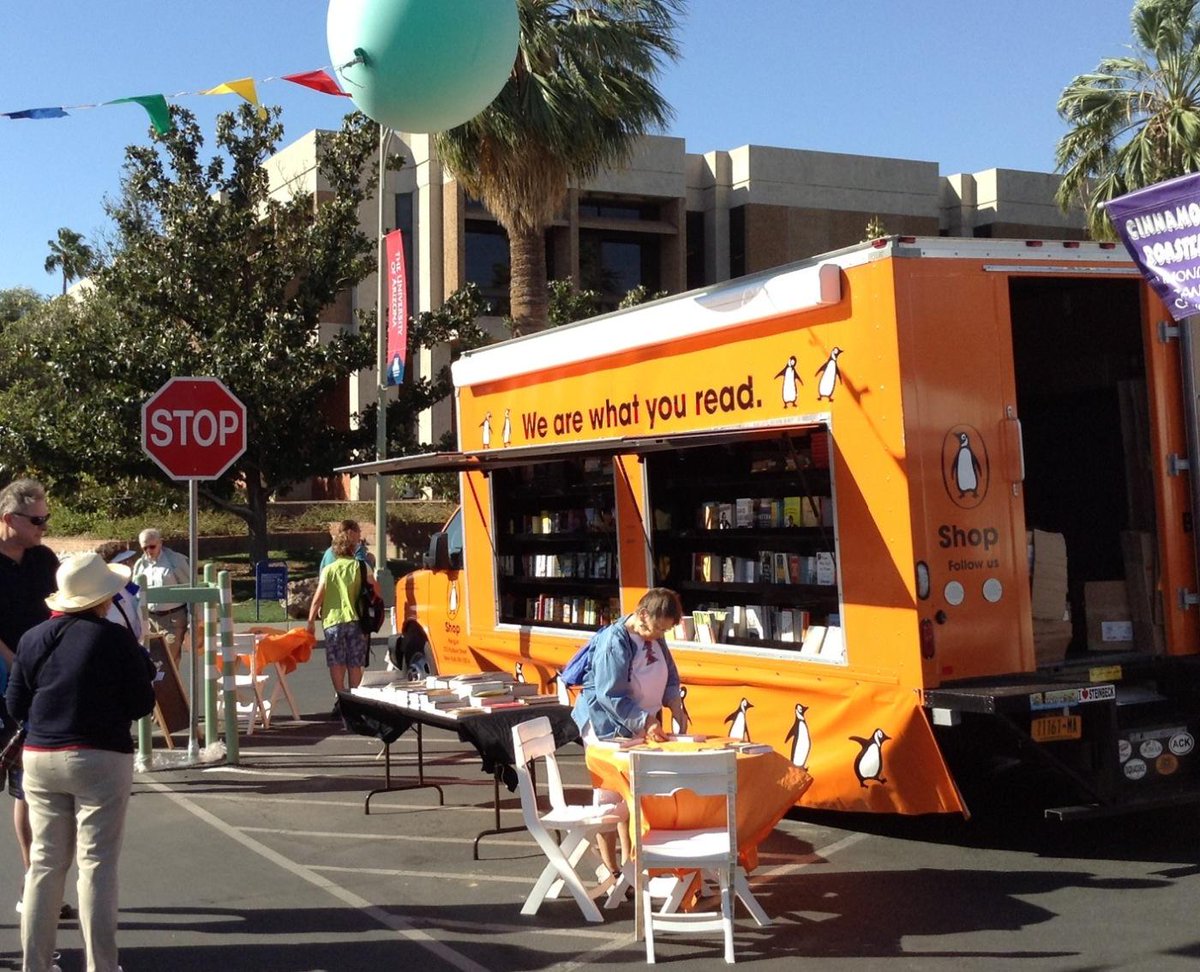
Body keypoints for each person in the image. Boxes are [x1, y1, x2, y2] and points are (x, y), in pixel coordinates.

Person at [7, 552, 156, 972]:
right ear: (104, 599)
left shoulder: (34, 637)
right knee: (96, 864)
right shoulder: (114, 638)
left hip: (40, 756)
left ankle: (35, 964)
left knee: (44, 863)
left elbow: (17, 703)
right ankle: (101, 965)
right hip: (100, 755)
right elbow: (142, 703)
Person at [570, 587, 688, 876]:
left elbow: (670, 674)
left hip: (636, 723)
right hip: (606, 727)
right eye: (657, 628)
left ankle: (630, 864)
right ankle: (611, 871)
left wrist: (676, 706)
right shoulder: (615, 641)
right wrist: (647, 722)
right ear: (642, 614)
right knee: (610, 797)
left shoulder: (656, 636)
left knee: (630, 794)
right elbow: (611, 695)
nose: (659, 636)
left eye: (664, 631)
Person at [0, 478, 74, 922]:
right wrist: (16, 660)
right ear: (8, 519)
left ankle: (37, 886)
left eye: (46, 518)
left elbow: (60, 610)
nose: (44, 526)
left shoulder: (44, 559)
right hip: (5, 677)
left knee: (29, 787)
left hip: (37, 689)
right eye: (37, 520)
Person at [307, 526, 380, 713]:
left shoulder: (329, 570)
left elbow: (317, 599)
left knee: (336, 662)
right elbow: (377, 592)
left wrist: (310, 622)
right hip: (356, 620)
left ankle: (341, 698)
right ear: (351, 548)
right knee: (355, 662)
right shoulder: (362, 567)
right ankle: (354, 700)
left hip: (332, 622)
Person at [131, 528, 190, 665]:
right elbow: (136, 595)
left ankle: (170, 687)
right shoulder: (140, 565)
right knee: (151, 662)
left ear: (160, 543)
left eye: (152, 546)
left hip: (173, 620)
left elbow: (191, 590)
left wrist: (192, 623)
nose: (148, 551)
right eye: (144, 548)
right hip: (149, 620)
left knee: (168, 662)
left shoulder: (176, 561)